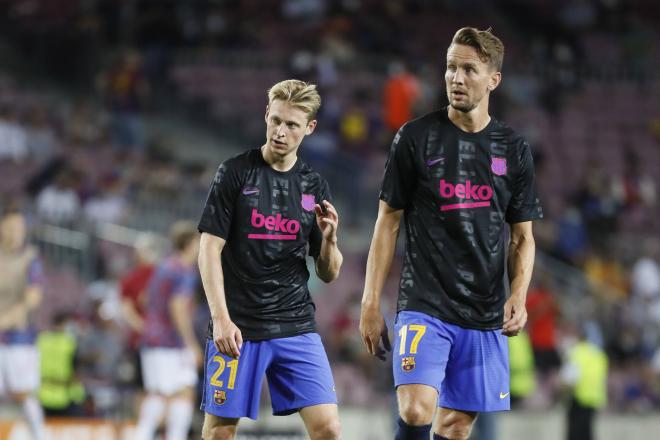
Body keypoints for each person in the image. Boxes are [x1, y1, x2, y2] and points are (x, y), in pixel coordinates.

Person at [359, 27, 543, 440]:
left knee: (457, 426)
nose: (456, 79)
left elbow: (523, 237)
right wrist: (371, 300)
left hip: (483, 312)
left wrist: (518, 294)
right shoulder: (415, 138)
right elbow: (387, 221)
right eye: (450, 68)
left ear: (493, 79)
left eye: (469, 70)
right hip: (424, 302)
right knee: (416, 406)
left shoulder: (512, 149)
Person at [198, 79, 343, 440]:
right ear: (266, 114)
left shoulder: (313, 186)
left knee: (328, 428)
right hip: (238, 327)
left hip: (295, 323)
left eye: (291, 124)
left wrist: (328, 242)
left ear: (309, 128)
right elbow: (208, 248)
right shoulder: (234, 172)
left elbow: (328, 273)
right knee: (219, 433)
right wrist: (220, 319)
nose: (280, 131)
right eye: (275, 120)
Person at [134, 221, 202, 440]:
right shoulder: (183, 270)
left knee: (159, 394)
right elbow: (178, 307)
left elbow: (145, 299)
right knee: (183, 392)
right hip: (171, 343)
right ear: (190, 243)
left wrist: (154, 321)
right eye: (199, 241)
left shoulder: (164, 266)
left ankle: (143, 434)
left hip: (152, 340)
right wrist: (191, 343)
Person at [0, 207, 48, 440]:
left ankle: (39, 435)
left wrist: (6, 319)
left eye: (20, 227)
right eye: (11, 227)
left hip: (19, 337)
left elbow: (33, 297)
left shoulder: (31, 258)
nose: (16, 232)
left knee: (22, 393)